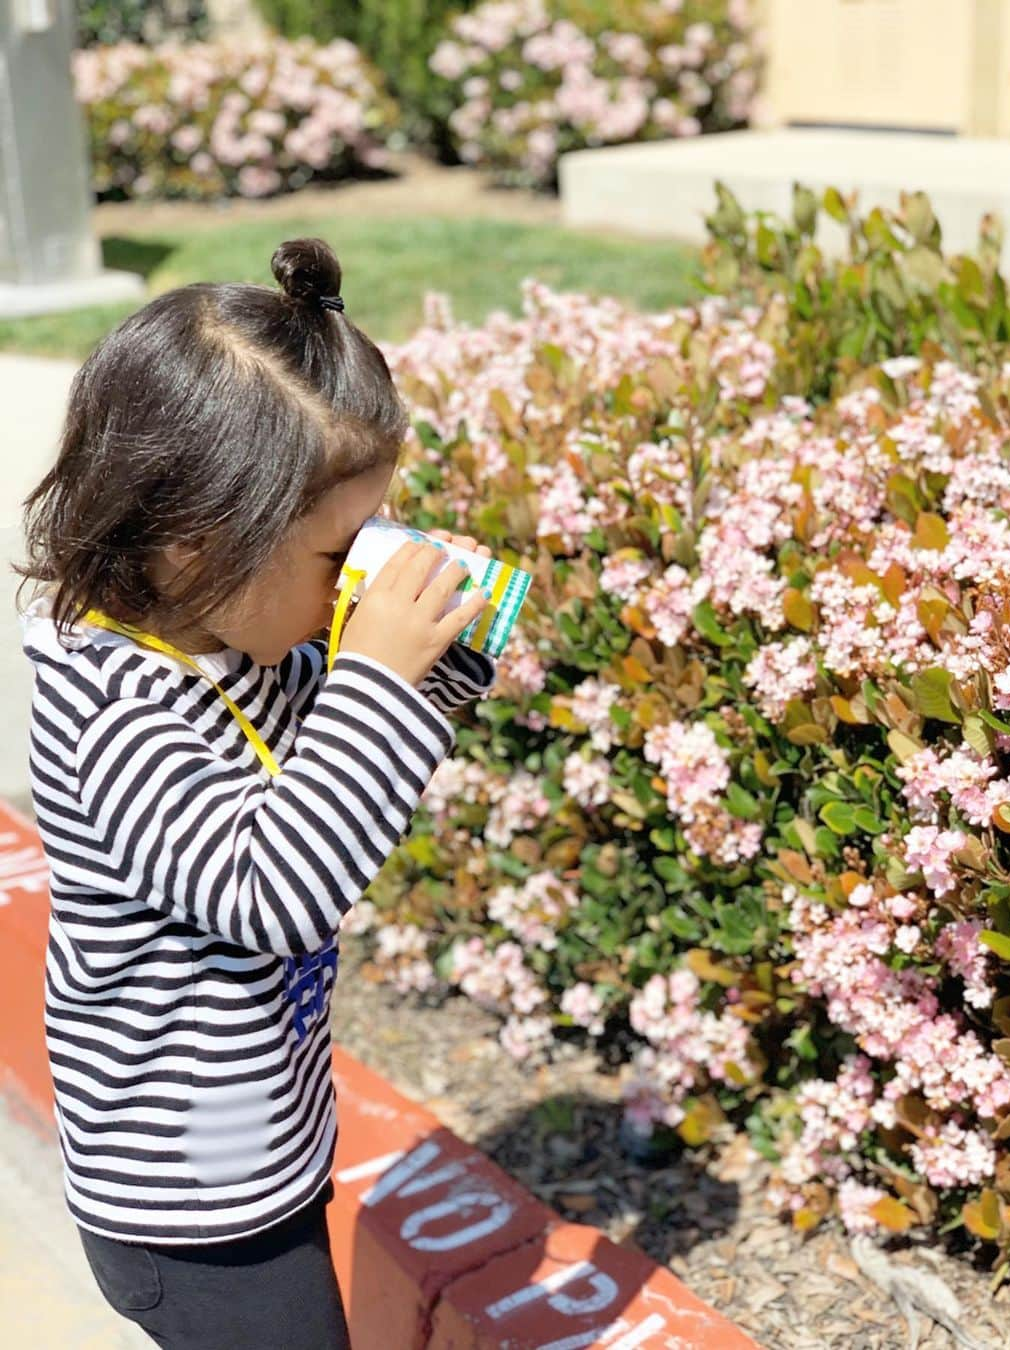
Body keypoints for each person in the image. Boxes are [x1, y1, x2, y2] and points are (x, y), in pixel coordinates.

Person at [14, 236, 498, 1349]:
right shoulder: (110, 713)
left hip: (260, 1145)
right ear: (194, 550)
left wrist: (439, 658)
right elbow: (272, 888)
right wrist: (381, 676)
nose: (358, 575)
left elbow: (349, 751)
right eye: (342, 553)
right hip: (184, 1206)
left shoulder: (245, 638)